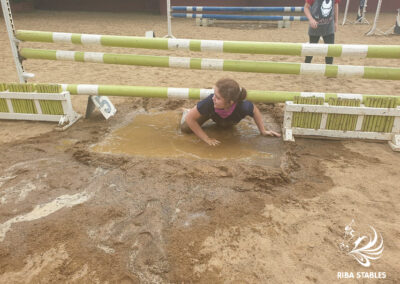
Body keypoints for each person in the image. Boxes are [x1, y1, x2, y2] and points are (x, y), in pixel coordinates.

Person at [180, 78, 281, 146]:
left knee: (225, 126)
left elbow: (255, 111)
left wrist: (262, 130)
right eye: (214, 94)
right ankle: (188, 111)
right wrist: (206, 138)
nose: (214, 98)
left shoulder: (243, 106)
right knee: (186, 128)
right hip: (209, 113)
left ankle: (196, 112)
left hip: (225, 118)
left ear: (230, 102)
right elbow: (190, 119)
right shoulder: (209, 102)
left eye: (218, 97)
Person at [304, 0, 340, 64]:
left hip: (329, 26)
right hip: (315, 26)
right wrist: (311, 19)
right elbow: (306, 8)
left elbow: (335, 5)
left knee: (330, 50)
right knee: (311, 49)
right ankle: (307, 64)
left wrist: (336, 22)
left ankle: (329, 68)